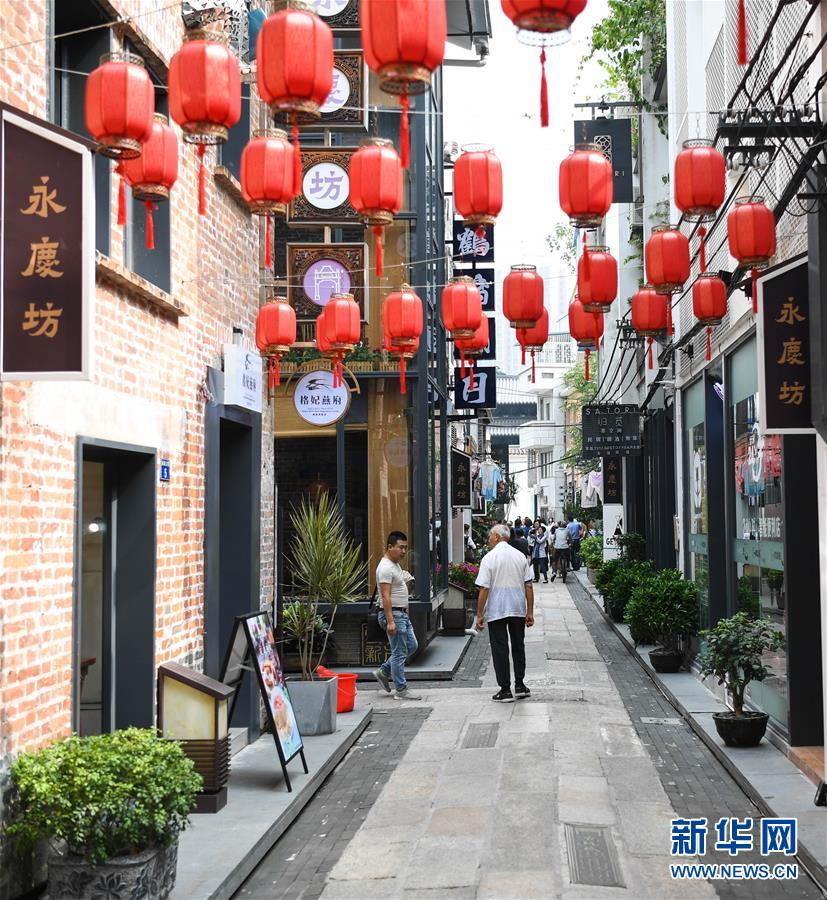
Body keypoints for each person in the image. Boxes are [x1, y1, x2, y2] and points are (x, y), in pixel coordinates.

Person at [475, 524, 535, 702]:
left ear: (496, 537)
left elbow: (484, 588)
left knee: (500, 648)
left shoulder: (489, 558)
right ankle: (520, 685)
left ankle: (505, 689)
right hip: (517, 607)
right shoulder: (520, 556)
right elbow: (528, 586)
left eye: (489, 536)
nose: (488, 540)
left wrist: (480, 614)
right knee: (518, 645)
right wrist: (530, 612)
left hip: (497, 608)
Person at [373, 531, 421, 700]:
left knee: (412, 645)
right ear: (389, 547)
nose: (403, 551)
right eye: (400, 547)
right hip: (393, 615)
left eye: (405, 548)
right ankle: (401, 690)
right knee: (399, 653)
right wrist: (391, 621)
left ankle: (383, 671)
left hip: (401, 614)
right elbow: (385, 596)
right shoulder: (385, 567)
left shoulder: (394, 565)